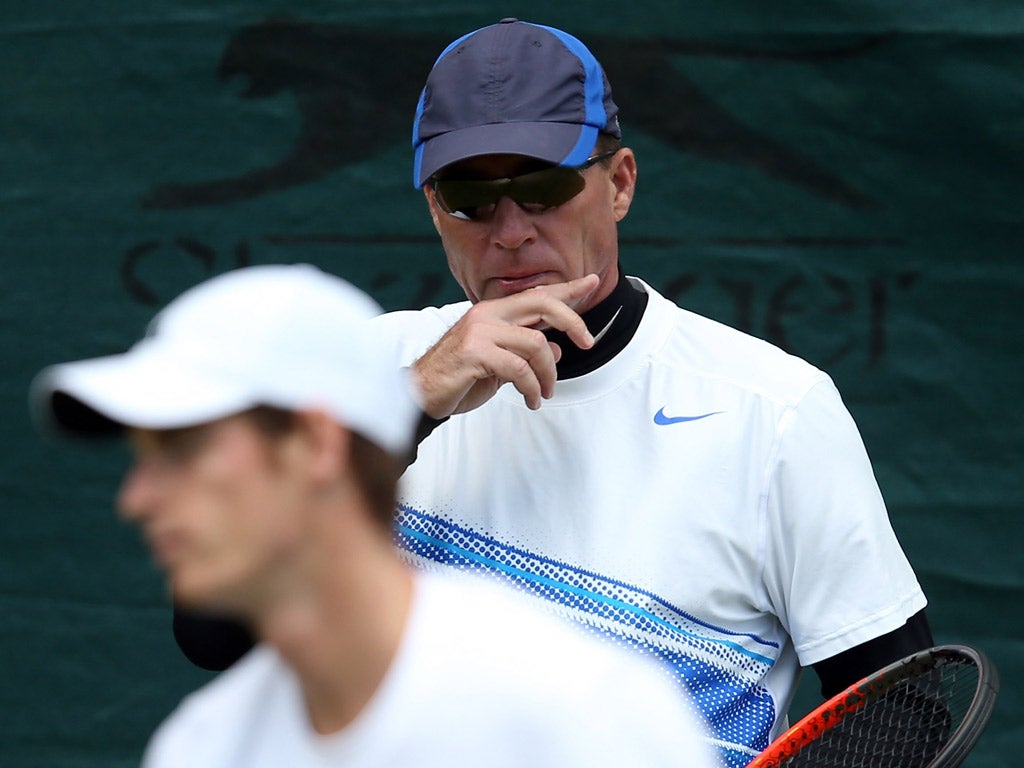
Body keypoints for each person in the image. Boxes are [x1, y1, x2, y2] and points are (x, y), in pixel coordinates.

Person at [172, 19, 935, 768]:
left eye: (542, 189)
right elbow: (212, 632)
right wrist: (407, 407)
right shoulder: (367, 370)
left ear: (621, 184)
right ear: (434, 209)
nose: (509, 230)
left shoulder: (774, 410)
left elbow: (905, 705)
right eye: (472, 198)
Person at [31, 264, 716, 768]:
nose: (136, 499)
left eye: (183, 449)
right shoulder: (201, 748)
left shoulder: (577, 709)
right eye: (143, 456)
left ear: (317, 446)